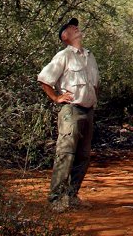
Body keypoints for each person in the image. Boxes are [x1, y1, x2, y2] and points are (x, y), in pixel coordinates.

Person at [37, 17, 100, 212]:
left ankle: (72, 196)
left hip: (88, 111)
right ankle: (56, 199)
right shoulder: (63, 56)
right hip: (71, 111)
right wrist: (56, 98)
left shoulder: (90, 56)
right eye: (72, 27)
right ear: (65, 36)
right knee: (65, 154)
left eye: (76, 26)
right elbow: (44, 79)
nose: (76, 28)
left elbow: (95, 84)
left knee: (83, 155)